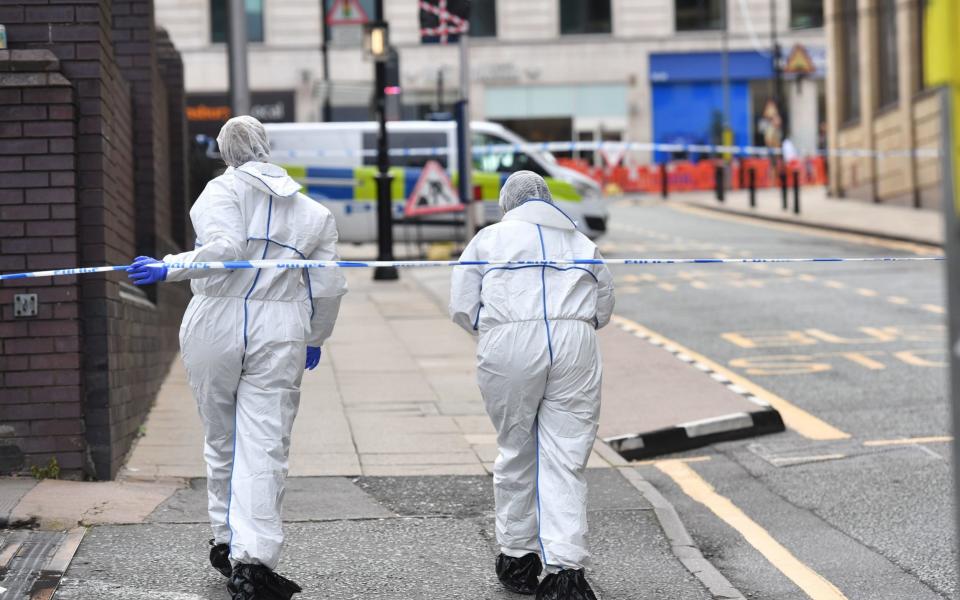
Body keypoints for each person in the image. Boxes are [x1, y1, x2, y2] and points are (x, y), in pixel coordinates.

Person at [127, 115, 347, 600]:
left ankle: (226, 540)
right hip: (280, 327)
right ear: (266, 147)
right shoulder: (314, 214)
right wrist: (315, 337)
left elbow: (224, 248)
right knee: (265, 443)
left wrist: (169, 269)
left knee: (221, 436)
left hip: (215, 322)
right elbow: (328, 286)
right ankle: (254, 560)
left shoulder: (219, 193)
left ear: (226, 152)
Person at [449, 171, 614, 600]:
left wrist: (496, 329)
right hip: (575, 342)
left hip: (510, 341)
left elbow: (462, 306)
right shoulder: (581, 242)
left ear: (509, 203)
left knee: (516, 447)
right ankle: (566, 571)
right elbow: (604, 306)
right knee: (566, 456)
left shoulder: (488, 240)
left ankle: (518, 556)